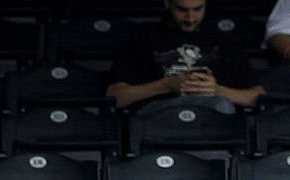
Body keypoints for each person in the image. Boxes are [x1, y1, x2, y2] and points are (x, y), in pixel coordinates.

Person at [106, 0, 264, 112]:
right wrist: (166, 85)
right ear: (167, 3)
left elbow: (258, 98)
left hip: (213, 113)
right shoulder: (142, 36)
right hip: (158, 114)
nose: (190, 18)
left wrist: (216, 90)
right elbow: (115, 97)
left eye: (197, 9)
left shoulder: (223, 40)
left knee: (221, 105)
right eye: (182, 10)